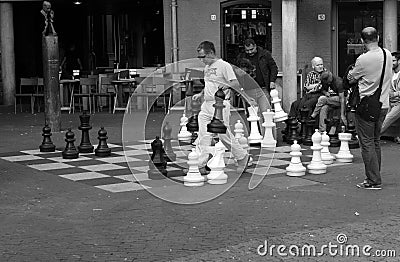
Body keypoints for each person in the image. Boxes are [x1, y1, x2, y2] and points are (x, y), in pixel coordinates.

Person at [192, 41, 255, 173]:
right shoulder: (207, 67)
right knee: (203, 134)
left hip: (220, 105)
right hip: (207, 105)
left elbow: (235, 83)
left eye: (203, 57)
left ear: (210, 53)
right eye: (199, 57)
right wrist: (201, 94)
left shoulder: (224, 65)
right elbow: (209, 84)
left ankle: (242, 157)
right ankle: (202, 163)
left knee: (223, 135)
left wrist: (226, 85)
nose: (201, 60)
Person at [347, 27, 392, 190]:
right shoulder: (387, 54)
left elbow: (351, 78)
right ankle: (375, 175)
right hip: (383, 105)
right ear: (378, 38)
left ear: (361, 41)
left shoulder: (363, 59)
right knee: (375, 141)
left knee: (366, 143)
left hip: (366, 106)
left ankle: (372, 180)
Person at [236, 38, 278, 115]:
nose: (250, 52)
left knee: (266, 113)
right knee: (252, 115)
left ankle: (266, 127)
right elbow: (237, 73)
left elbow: (273, 68)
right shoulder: (241, 57)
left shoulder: (265, 54)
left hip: (263, 88)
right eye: (247, 50)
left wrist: (272, 81)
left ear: (255, 46)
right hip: (248, 90)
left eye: (251, 49)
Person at [380, 51, 400, 143]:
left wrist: (395, 94)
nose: (391, 63)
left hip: (398, 103)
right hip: (392, 101)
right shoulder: (392, 74)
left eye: (393, 61)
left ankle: (371, 137)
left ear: (399, 61)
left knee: (387, 118)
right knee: (382, 115)